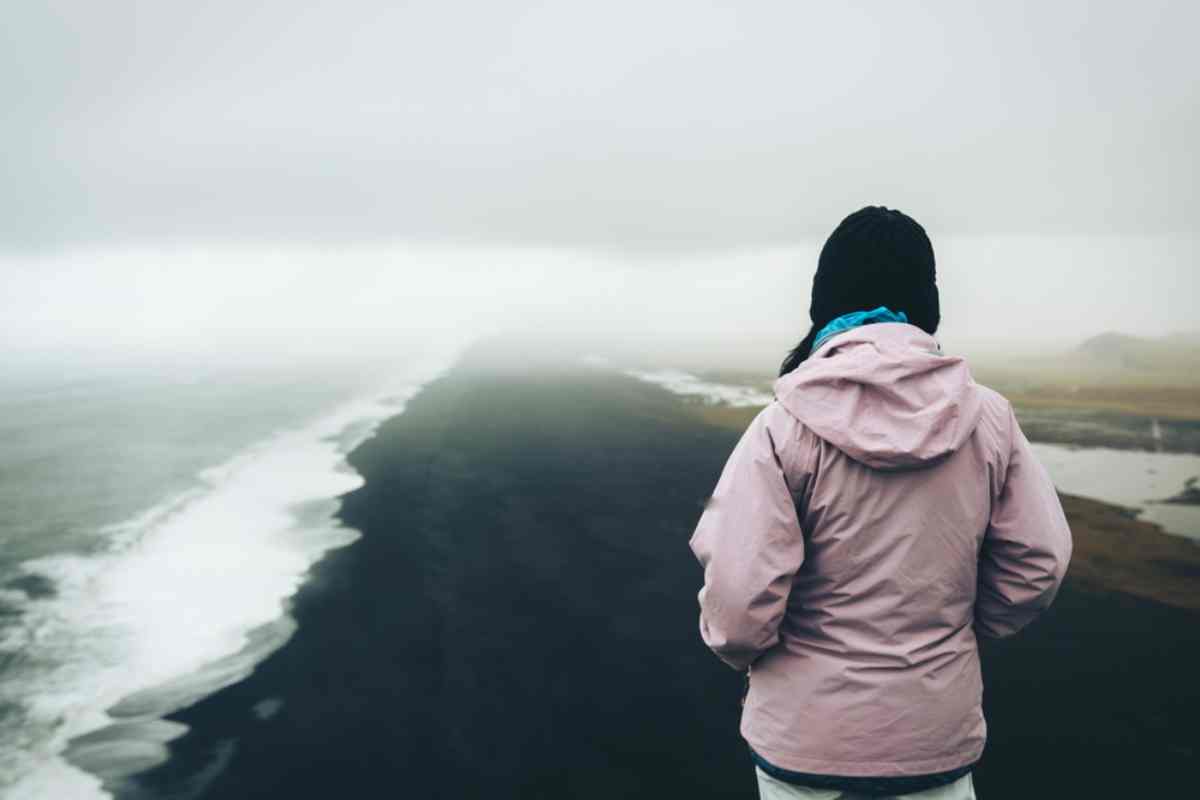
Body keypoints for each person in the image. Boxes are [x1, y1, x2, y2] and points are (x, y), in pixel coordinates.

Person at [688, 206, 1073, 799]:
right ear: (927, 301)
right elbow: (1038, 562)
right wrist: (954, 631)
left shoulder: (781, 426)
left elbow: (738, 600)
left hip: (805, 747)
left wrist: (756, 657)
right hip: (934, 742)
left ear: (825, 299)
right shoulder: (988, 417)